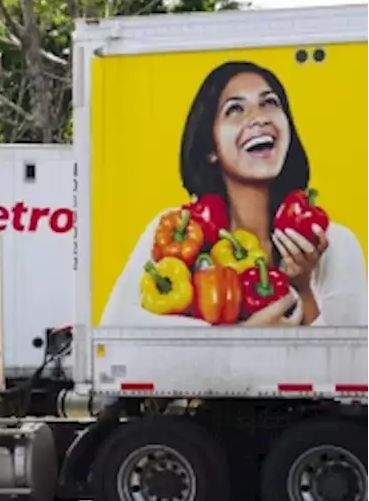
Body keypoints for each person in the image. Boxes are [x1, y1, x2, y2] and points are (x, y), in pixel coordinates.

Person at [100, 60, 369, 327]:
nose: (259, 117)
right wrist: (244, 339)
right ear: (210, 149)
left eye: (270, 103)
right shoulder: (172, 232)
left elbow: (351, 361)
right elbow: (115, 333)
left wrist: (303, 288)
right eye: (235, 109)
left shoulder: (336, 243)